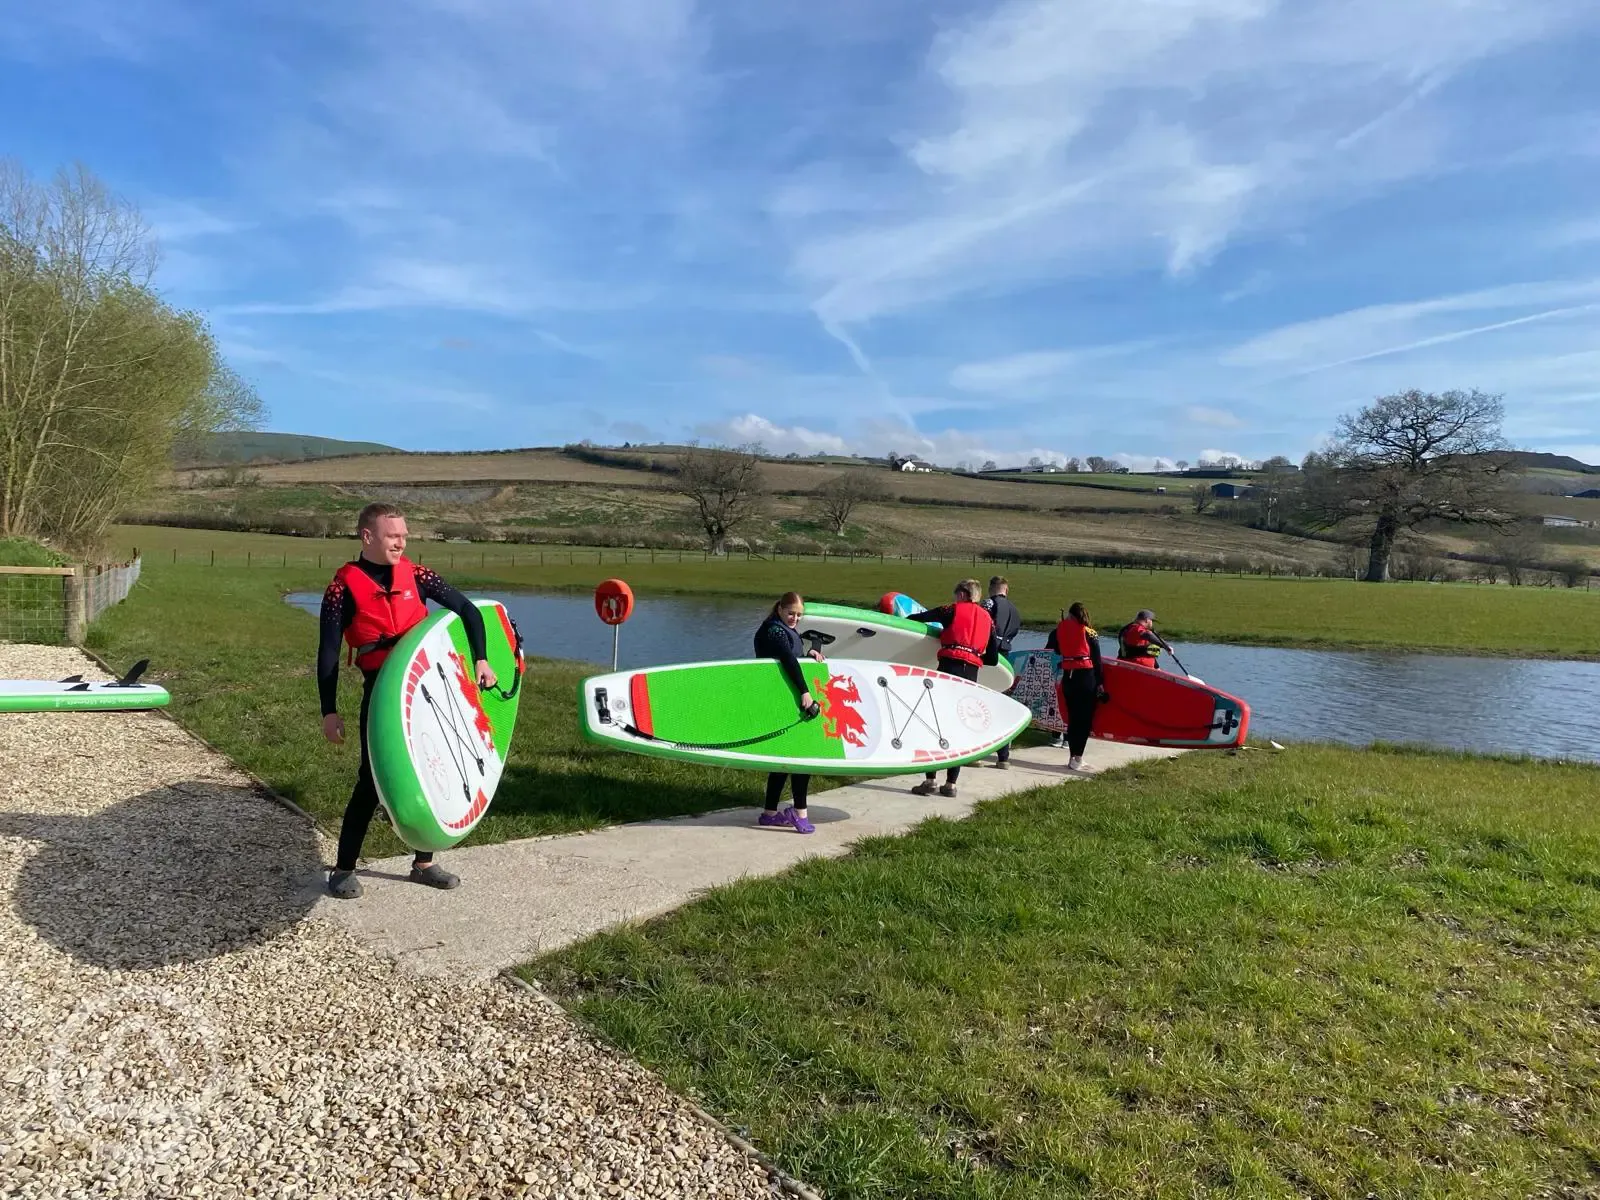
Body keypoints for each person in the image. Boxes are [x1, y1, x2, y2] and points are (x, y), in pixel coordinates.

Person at [318, 502, 498, 899]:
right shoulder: (341, 588)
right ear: (368, 537)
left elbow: (468, 609)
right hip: (381, 694)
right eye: (393, 535)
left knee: (433, 770)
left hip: (428, 690)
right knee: (370, 781)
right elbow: (328, 653)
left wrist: (481, 659)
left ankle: (424, 863)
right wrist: (329, 711)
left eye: (404, 535)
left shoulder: (416, 574)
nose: (402, 542)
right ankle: (343, 869)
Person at [906, 579, 996, 797]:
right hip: (971, 675)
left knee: (933, 722)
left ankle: (930, 781)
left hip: (949, 668)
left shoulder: (951, 610)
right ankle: (951, 785)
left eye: (956, 594)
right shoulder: (989, 621)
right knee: (958, 726)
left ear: (963, 595)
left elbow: (917, 619)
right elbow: (992, 658)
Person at [754, 592, 823, 833]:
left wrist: (808, 654)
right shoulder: (773, 631)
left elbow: (792, 657)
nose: (795, 618)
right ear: (780, 609)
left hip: (780, 699)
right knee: (800, 757)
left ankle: (770, 813)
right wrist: (805, 692)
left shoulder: (780, 628)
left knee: (783, 758)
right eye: (791, 613)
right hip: (783, 700)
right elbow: (786, 659)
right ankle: (800, 813)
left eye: (799, 615)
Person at [1050, 601, 1108, 771]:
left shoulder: (1060, 629)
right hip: (1085, 677)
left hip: (1068, 677)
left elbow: (1057, 650)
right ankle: (1077, 758)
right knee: (1084, 720)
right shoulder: (1090, 633)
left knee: (1073, 719)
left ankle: (1072, 757)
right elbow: (1097, 661)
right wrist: (1101, 683)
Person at [981, 575, 1023, 769]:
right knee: (1001, 703)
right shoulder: (1015, 610)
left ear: (992, 589)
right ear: (1006, 589)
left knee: (979, 701)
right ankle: (1003, 756)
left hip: (988, 654)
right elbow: (1015, 631)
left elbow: (980, 622)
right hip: (1006, 655)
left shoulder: (988, 603)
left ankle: (977, 753)